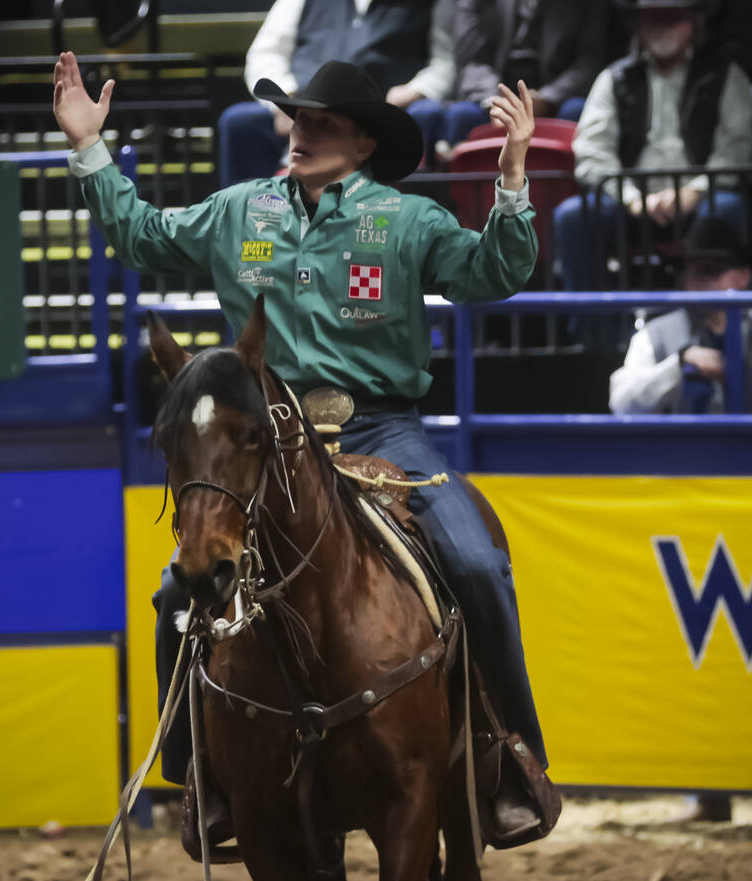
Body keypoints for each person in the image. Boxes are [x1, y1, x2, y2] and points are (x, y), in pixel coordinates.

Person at [53, 52, 548, 839]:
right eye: (297, 118)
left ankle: (512, 755)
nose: (299, 132)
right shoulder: (238, 210)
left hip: (386, 429)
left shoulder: (407, 219)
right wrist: (89, 147)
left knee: (479, 562)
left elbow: (495, 271)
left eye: (321, 124)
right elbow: (142, 237)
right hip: (269, 444)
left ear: (361, 145)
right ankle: (202, 777)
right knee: (178, 594)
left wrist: (513, 179)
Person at [552, 0, 752, 291]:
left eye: (673, 17)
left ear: (693, 23)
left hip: (698, 200)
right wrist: (633, 198)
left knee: (724, 210)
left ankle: (715, 324)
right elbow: (593, 152)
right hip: (631, 202)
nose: (664, 26)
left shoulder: (725, 76)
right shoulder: (614, 79)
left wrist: (693, 192)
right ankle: (597, 331)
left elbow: (735, 149)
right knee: (572, 217)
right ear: (637, 25)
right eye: (654, 18)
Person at [609, 217, 752, 415]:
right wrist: (679, 363)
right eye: (693, 270)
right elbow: (621, 404)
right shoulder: (655, 334)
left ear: (743, 276)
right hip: (683, 466)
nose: (703, 280)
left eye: (714, 270)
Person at [216, 0, 455, 186]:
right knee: (239, 121)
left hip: (378, 112)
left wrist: (416, 90)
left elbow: (444, 61)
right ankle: (247, 226)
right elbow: (266, 53)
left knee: (427, 114)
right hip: (301, 103)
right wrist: (285, 99)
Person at [444, 0, 610, 144]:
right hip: (492, 94)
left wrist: (547, 98)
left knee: (577, 111)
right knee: (461, 115)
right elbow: (472, 60)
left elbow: (590, 61)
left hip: (556, 97)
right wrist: (494, 102)